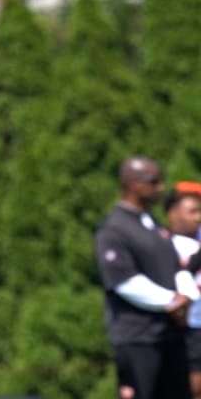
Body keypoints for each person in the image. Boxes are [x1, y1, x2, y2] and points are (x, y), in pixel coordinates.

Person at [95, 156, 197, 399]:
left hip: (170, 334)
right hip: (139, 338)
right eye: (154, 181)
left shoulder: (150, 223)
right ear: (133, 184)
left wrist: (186, 298)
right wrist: (171, 300)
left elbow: (175, 268)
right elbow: (124, 282)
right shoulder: (114, 228)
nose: (161, 187)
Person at [166, 182, 201, 399]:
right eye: (192, 211)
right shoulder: (164, 244)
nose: (198, 217)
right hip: (186, 328)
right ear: (173, 212)